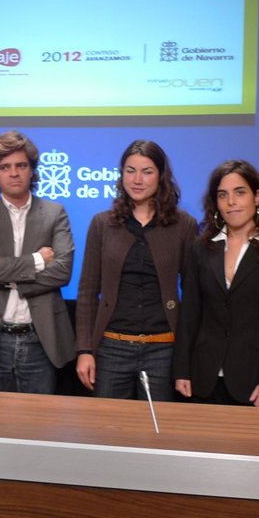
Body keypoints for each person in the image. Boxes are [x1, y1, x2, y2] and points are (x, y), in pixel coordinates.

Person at [174, 159, 259, 407]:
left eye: (240, 192)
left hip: (258, 384)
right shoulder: (201, 248)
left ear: (257, 197)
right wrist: (182, 369)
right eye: (222, 195)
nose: (231, 202)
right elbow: (189, 314)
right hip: (203, 380)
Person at [75, 140, 197, 400]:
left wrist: (186, 358)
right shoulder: (102, 223)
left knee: (157, 426)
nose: (137, 179)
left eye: (147, 171)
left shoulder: (184, 224)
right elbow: (87, 291)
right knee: (107, 423)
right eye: (130, 171)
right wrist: (85, 350)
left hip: (163, 349)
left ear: (161, 176)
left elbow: (192, 294)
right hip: (111, 347)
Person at [0, 131, 74, 394]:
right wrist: (38, 260)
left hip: (40, 339)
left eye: (21, 165)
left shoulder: (55, 213)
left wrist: (3, 269)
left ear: (32, 170)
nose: (14, 173)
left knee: (38, 418)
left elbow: (62, 272)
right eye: (5, 167)